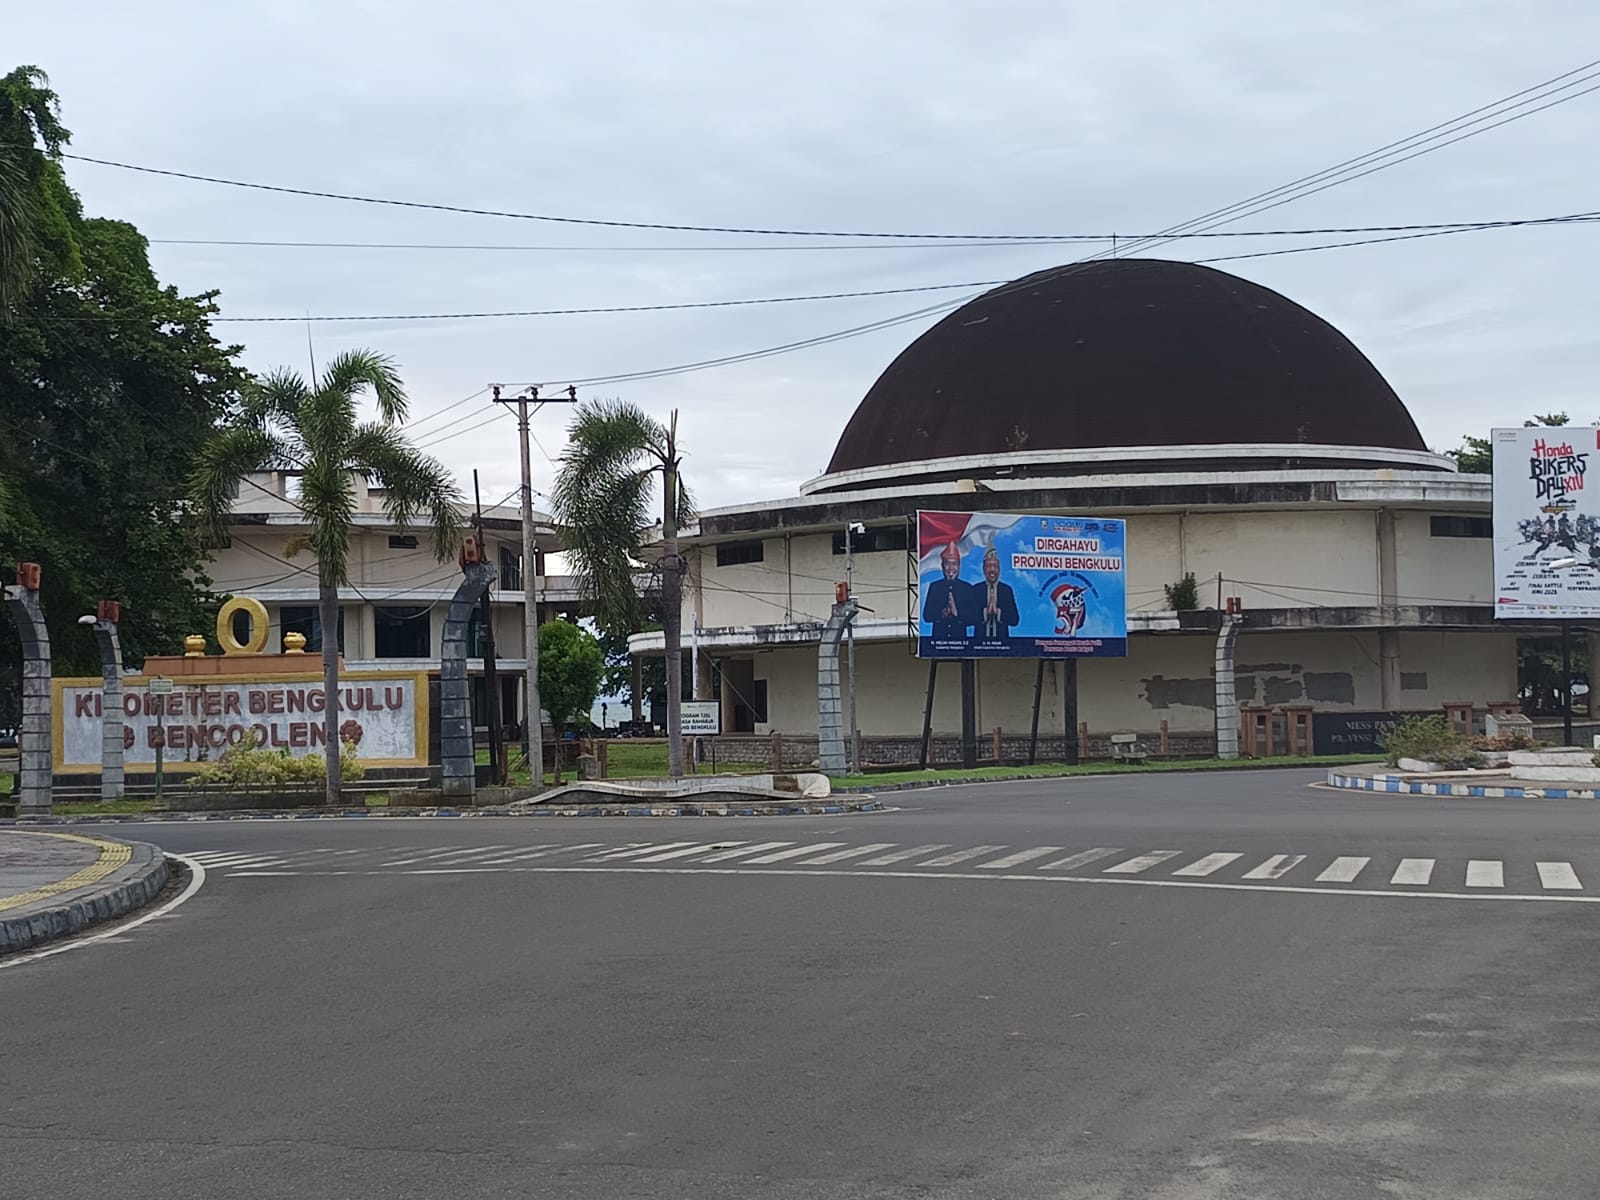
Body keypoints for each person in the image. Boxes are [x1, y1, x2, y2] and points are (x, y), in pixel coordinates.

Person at [922, 542, 974, 639]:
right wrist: (942, 613)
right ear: (942, 566)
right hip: (938, 644)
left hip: (961, 644)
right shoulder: (935, 587)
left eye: (954, 564)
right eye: (947, 563)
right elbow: (927, 616)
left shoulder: (967, 588)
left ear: (959, 566)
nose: (951, 568)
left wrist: (956, 613)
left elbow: (973, 618)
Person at [974, 546, 1020, 639]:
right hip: (979, 647)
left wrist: (998, 613)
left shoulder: (1006, 590)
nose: (992, 570)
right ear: (983, 569)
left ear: (999, 569)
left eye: (995, 566)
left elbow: (1015, 620)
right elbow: (968, 618)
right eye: (988, 566)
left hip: (1002, 648)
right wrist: (985, 613)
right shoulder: (976, 590)